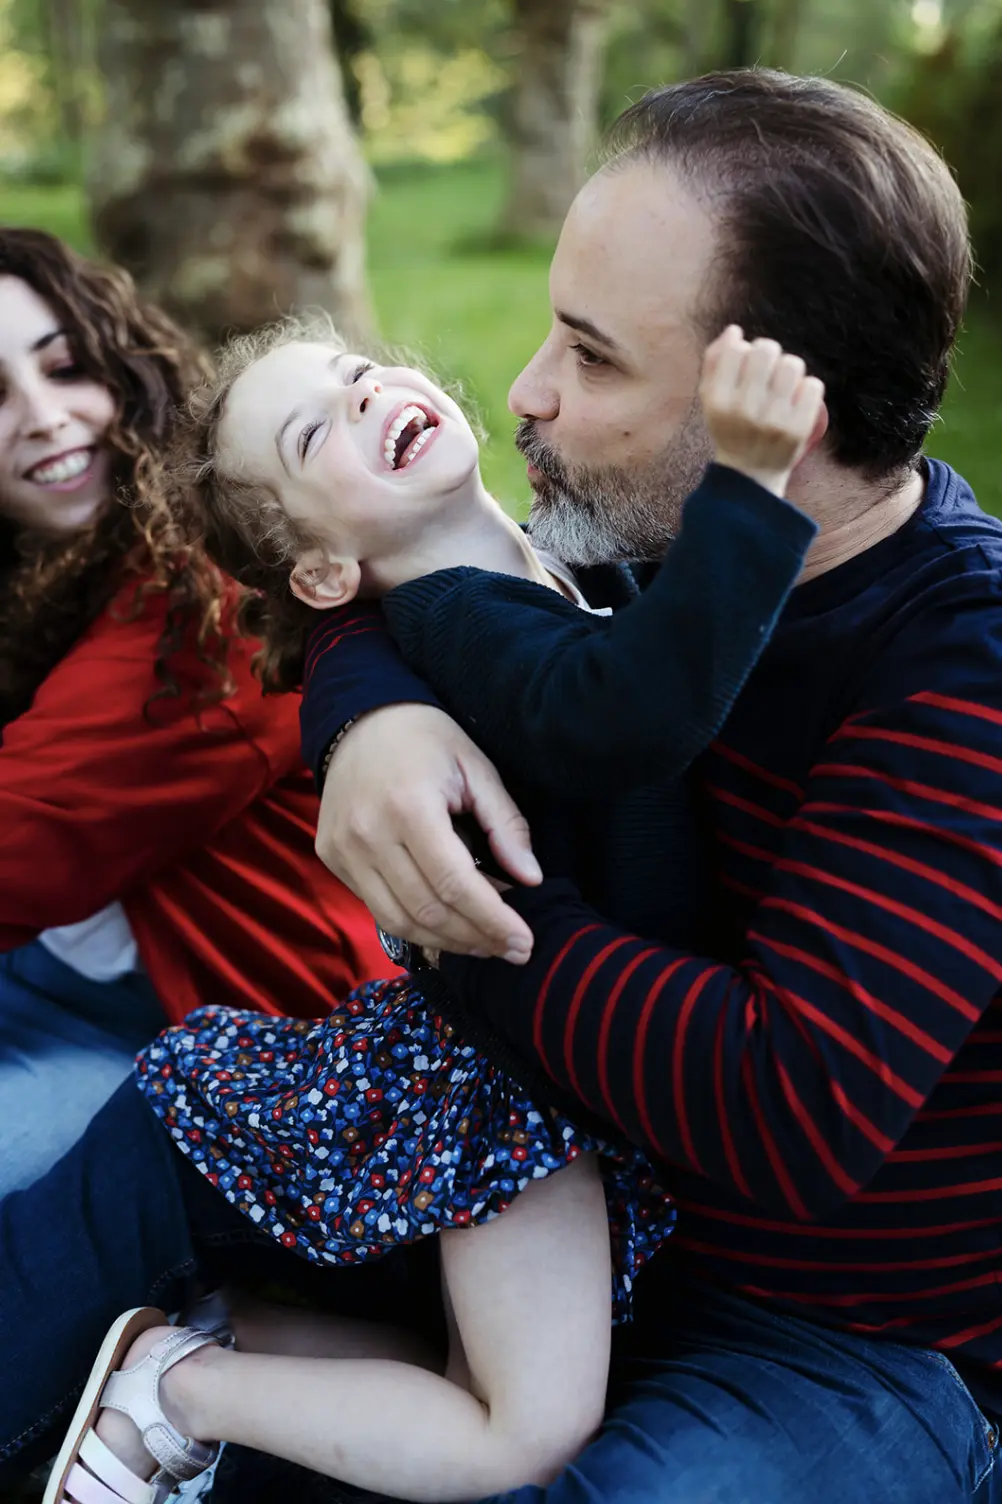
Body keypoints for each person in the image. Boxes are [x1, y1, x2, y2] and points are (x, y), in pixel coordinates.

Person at [298, 70, 1002, 1504]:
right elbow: (434, 587)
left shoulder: (961, 665)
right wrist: (363, 715)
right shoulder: (669, 558)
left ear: (771, 419)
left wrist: (466, 927)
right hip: (581, 1205)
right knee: (135, 1175)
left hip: (860, 1339)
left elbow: (784, 1105)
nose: (527, 395)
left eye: (592, 356)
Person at [36, 320, 821, 1504]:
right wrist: (750, 489)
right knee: (525, 1429)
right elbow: (631, 711)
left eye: (358, 376)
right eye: (316, 432)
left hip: (556, 1058)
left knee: (479, 1380)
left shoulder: (553, 573)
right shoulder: (459, 619)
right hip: (515, 1087)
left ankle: (229, 1338)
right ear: (320, 573)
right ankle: (181, 1389)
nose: (362, 400)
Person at [0, 227, 388, 1198]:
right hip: (70, 975)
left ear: (125, 366)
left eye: (65, 368)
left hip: (251, 1048)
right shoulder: (55, 571)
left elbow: (20, 843)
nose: (44, 418)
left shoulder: (208, 599)